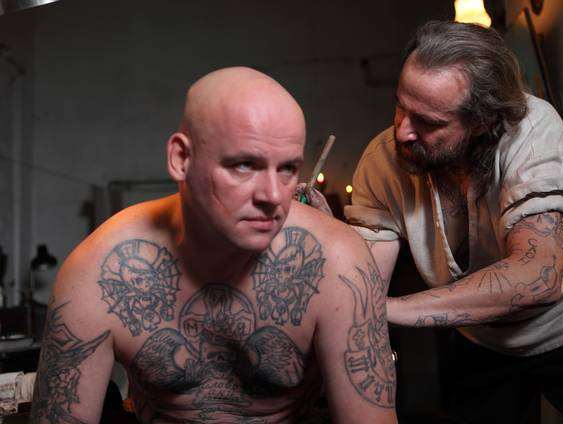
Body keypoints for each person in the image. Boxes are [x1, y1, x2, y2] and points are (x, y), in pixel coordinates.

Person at [29, 67, 398, 424]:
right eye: (244, 165)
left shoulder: (336, 261)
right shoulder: (99, 271)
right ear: (181, 159)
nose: (273, 196)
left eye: (287, 168)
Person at [333, 21, 563, 423]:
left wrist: (389, 309)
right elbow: (364, 284)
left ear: (481, 120)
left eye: (429, 121)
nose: (403, 131)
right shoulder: (382, 160)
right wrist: (326, 240)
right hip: (481, 331)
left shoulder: (532, 129)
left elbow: (536, 277)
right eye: (401, 106)